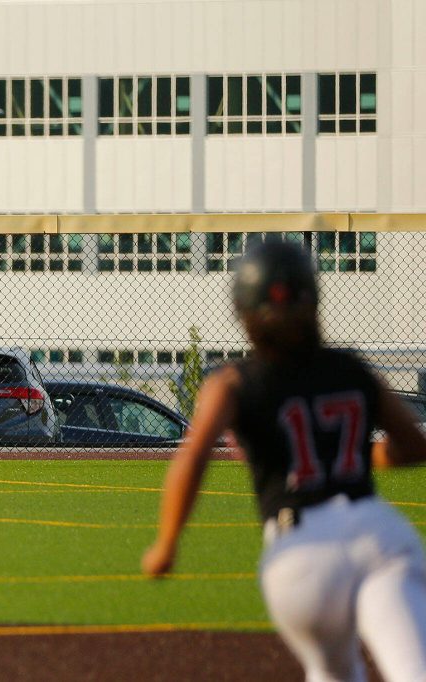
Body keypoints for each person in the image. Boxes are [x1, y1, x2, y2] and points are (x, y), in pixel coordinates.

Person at [142, 241, 426, 681]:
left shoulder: (233, 381)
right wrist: (363, 453)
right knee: (413, 669)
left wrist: (167, 543)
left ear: (244, 311)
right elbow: (413, 446)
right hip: (375, 534)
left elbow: (194, 456)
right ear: (312, 299)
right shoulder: (352, 370)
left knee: (333, 673)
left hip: (299, 554)